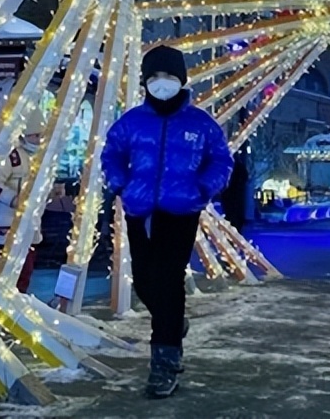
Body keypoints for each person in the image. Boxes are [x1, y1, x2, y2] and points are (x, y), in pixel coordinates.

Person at [101, 45, 234, 399]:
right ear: (146, 81)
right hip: (140, 210)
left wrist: (203, 187)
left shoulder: (201, 124)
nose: (162, 83)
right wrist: (120, 184)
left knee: (169, 279)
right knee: (145, 279)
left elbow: (221, 161)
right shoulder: (131, 122)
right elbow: (112, 154)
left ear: (181, 79)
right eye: (155, 76)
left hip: (181, 211)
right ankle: (172, 321)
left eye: (169, 76)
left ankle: (165, 360)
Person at [0, 106, 45, 293]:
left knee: (26, 271)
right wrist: (13, 199)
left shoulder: (38, 158)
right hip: (6, 224)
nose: (38, 140)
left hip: (29, 225)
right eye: (35, 136)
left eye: (40, 135)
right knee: (7, 274)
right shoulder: (10, 156)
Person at [218, 152, 249, 232]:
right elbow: (245, 177)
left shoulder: (228, 167)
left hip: (229, 194)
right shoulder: (239, 166)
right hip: (236, 194)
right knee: (235, 214)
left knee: (231, 213)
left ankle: (232, 228)